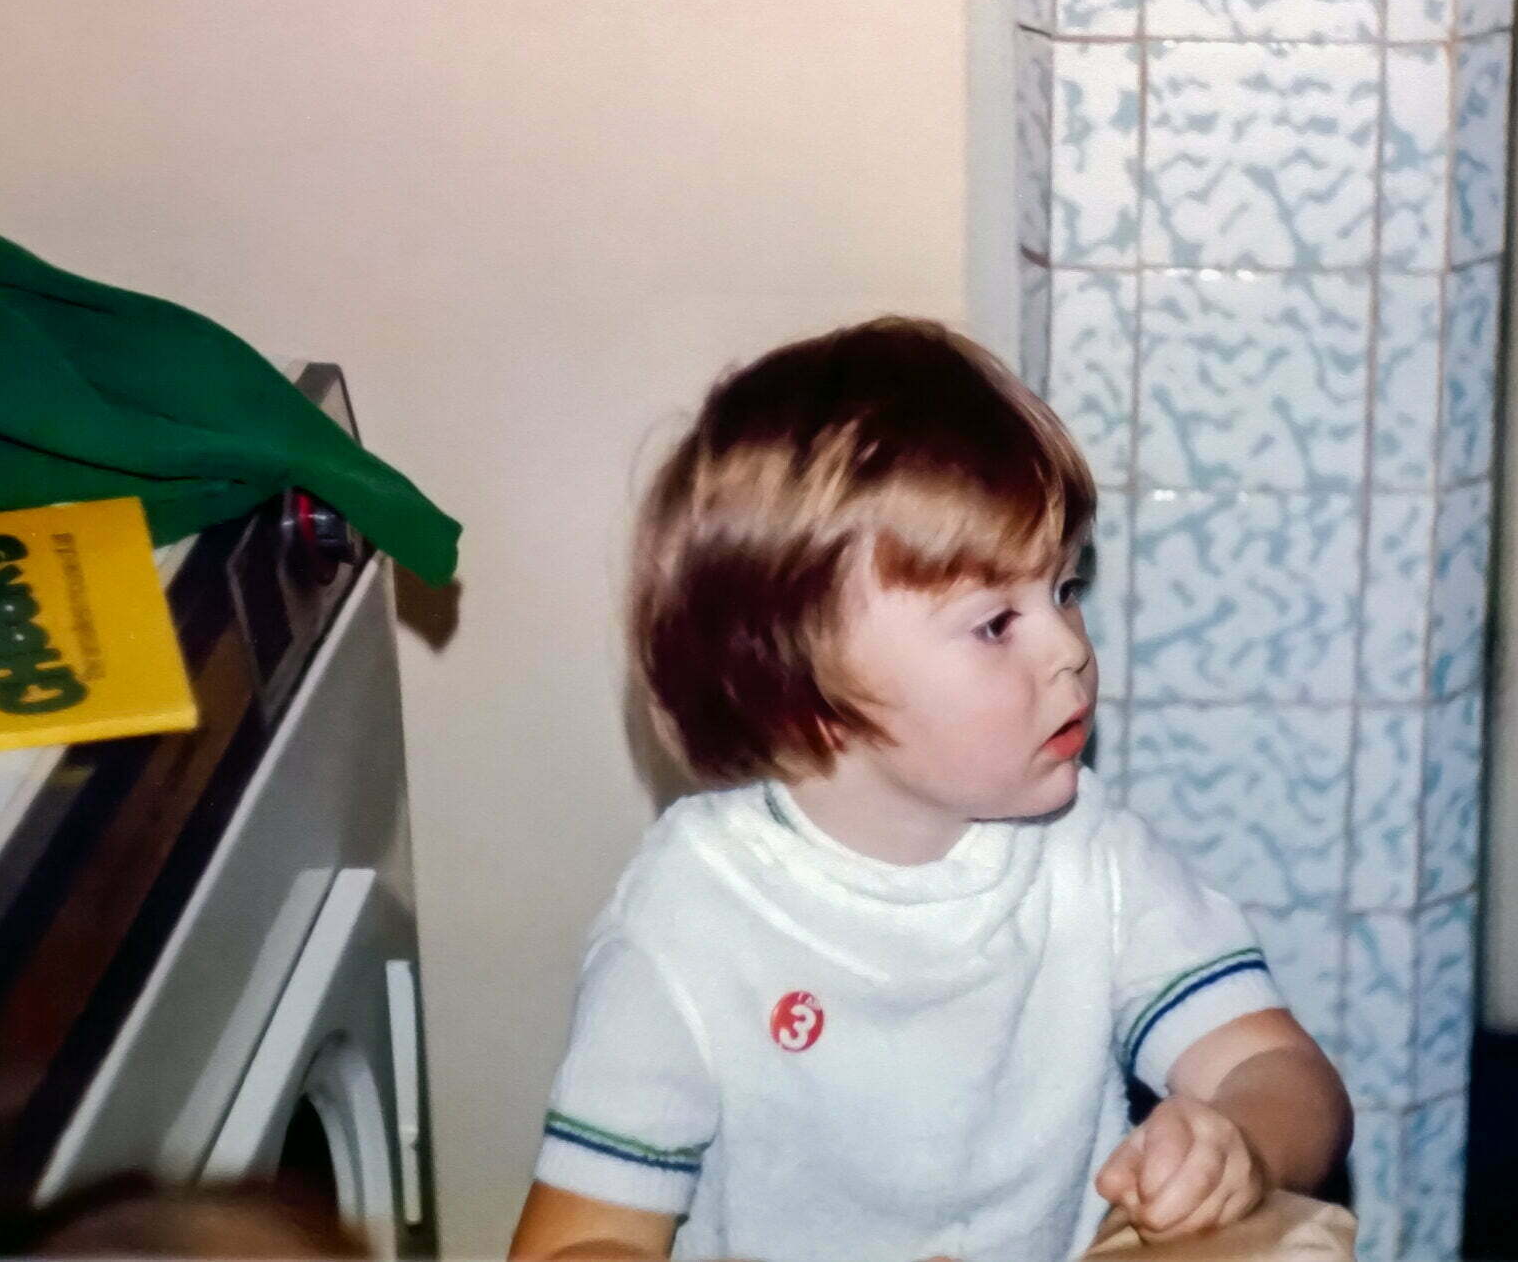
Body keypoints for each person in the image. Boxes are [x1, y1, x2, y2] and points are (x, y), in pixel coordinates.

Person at [508, 318, 1352, 1262]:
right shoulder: (692, 914)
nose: (1069, 647)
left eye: (1065, 589)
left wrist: (1237, 1140)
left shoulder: (1089, 856)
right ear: (804, 694)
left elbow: (1281, 1071)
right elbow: (573, 1242)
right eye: (996, 623)